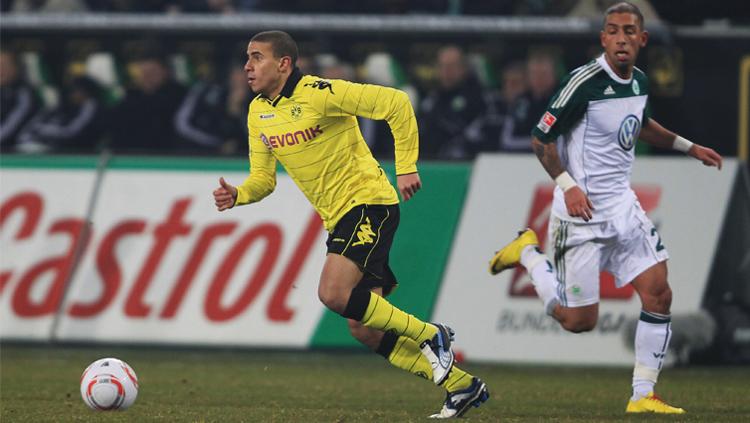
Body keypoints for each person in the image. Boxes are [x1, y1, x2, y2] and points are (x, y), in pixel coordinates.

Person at [212, 30, 489, 418]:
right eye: (247, 57)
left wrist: (406, 166)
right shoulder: (259, 111)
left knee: (333, 293)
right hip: (341, 217)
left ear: (284, 64)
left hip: (367, 203)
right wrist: (239, 194)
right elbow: (264, 179)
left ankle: (432, 334)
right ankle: (461, 385)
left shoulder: (320, 92)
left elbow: (396, 102)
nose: (247, 65)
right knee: (363, 327)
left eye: (257, 57)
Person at [488, 2, 722, 415]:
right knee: (579, 321)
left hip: (623, 209)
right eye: (612, 30)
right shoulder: (583, 83)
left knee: (659, 292)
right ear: (603, 38)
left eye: (629, 31)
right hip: (579, 216)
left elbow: (641, 124)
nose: (620, 38)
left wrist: (689, 147)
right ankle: (527, 252)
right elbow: (541, 140)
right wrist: (569, 186)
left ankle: (642, 395)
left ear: (641, 39)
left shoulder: (639, 82)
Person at [419, 45, 488, 159]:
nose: (446, 71)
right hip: (429, 162)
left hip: (464, 161)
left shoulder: (476, 97)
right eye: (442, 66)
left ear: (463, 68)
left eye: (451, 66)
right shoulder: (432, 98)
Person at [15, 75, 106, 154]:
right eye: (72, 90)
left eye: (78, 90)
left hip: (67, 154)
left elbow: (71, 133)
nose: (74, 94)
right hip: (30, 149)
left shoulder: (91, 107)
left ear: (88, 92)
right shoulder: (61, 106)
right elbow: (29, 129)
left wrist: (42, 130)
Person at [0, 49, 41, 152]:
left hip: (17, 152)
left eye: (5, 65)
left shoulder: (23, 93)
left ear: (15, 68)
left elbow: (11, 126)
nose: (1, 69)